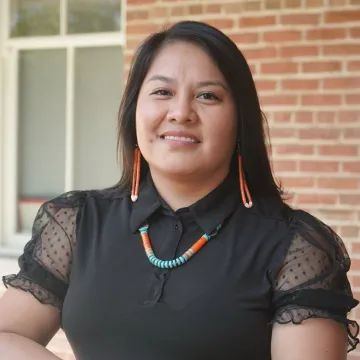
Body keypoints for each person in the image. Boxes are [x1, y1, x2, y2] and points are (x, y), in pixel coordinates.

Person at [0, 20, 358, 360]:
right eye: (162, 92)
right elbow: (6, 336)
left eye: (208, 96)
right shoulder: (79, 222)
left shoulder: (294, 246)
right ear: (133, 112)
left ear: (240, 122)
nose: (180, 112)